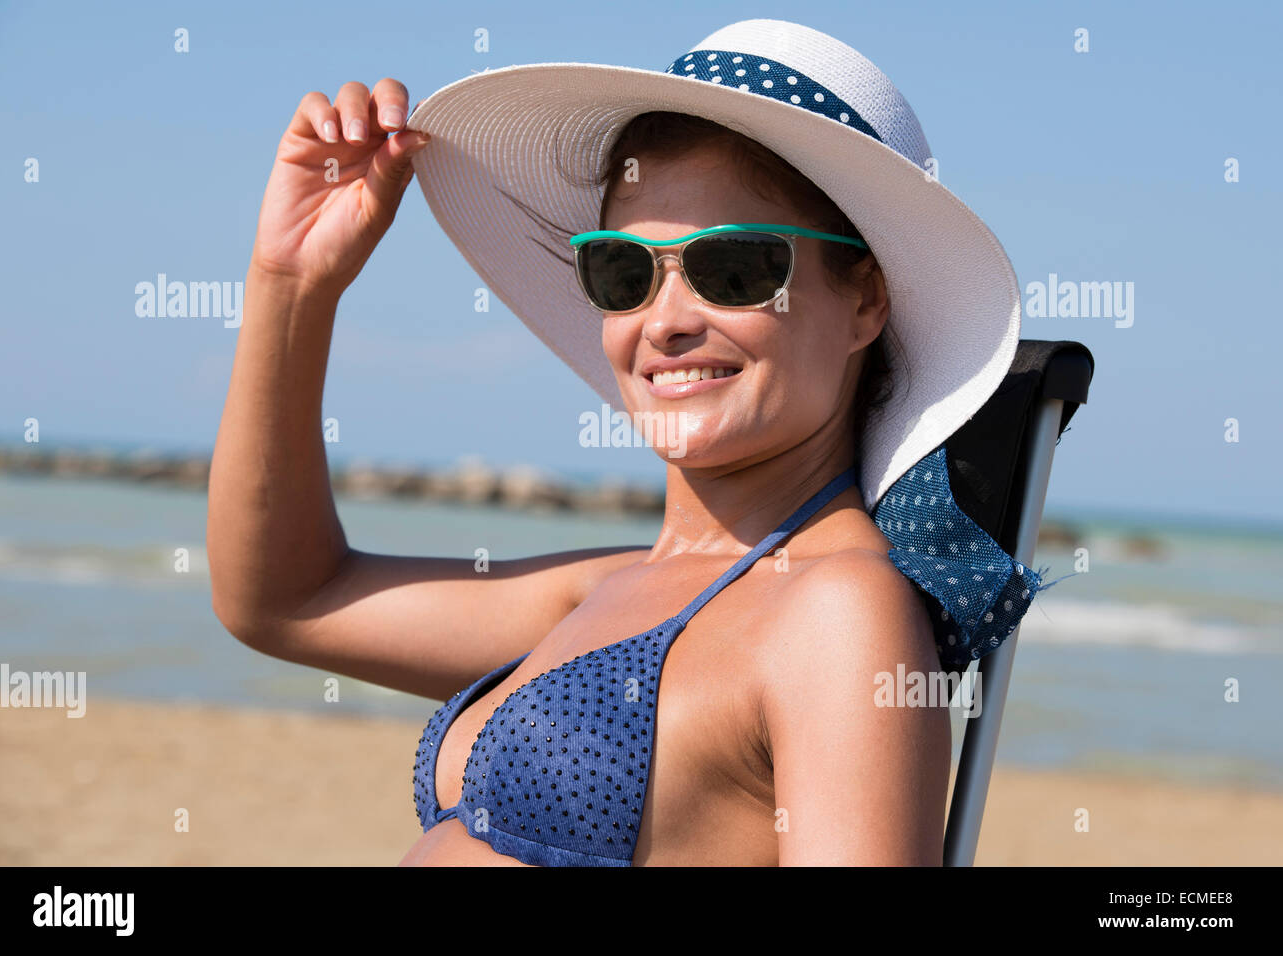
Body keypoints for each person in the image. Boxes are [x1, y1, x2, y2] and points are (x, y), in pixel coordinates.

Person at [208, 19, 1034, 866]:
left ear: (865, 300)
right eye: (624, 274)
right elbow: (287, 601)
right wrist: (292, 285)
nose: (666, 321)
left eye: (736, 269)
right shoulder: (610, 589)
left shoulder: (837, 613)